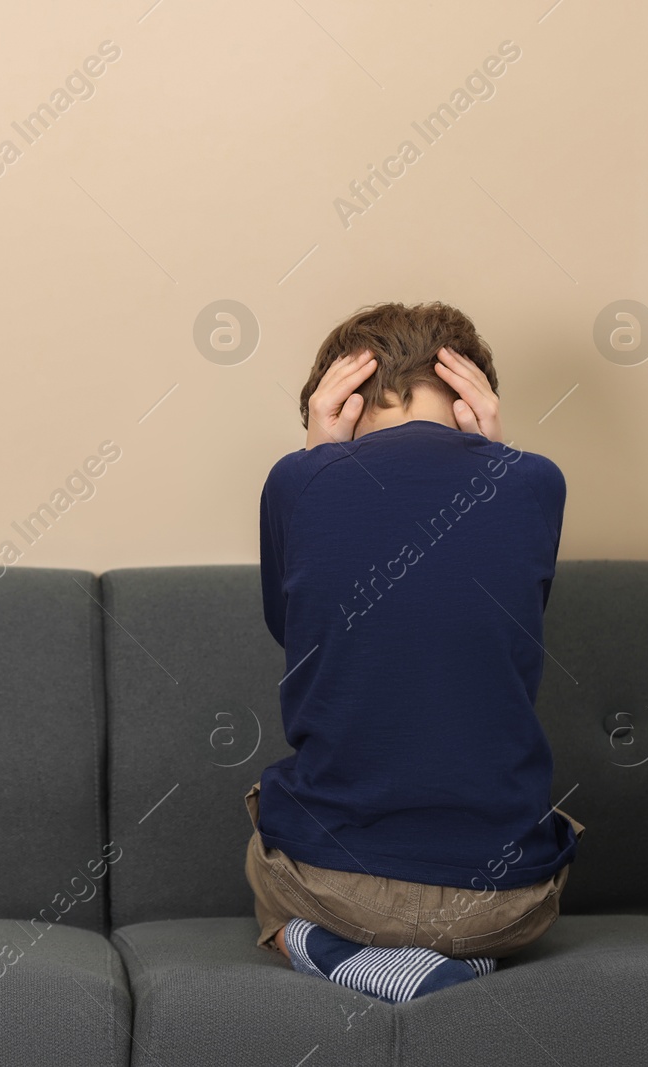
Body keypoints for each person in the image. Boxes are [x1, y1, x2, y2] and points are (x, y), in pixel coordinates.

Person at [245, 302, 584, 1004]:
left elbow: (296, 629)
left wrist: (316, 458)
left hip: (334, 887)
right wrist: (500, 456)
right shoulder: (537, 481)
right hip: (507, 903)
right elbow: (510, 623)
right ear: (471, 400)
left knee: (263, 848)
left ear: (340, 398)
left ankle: (323, 945)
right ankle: (461, 957)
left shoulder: (294, 480)